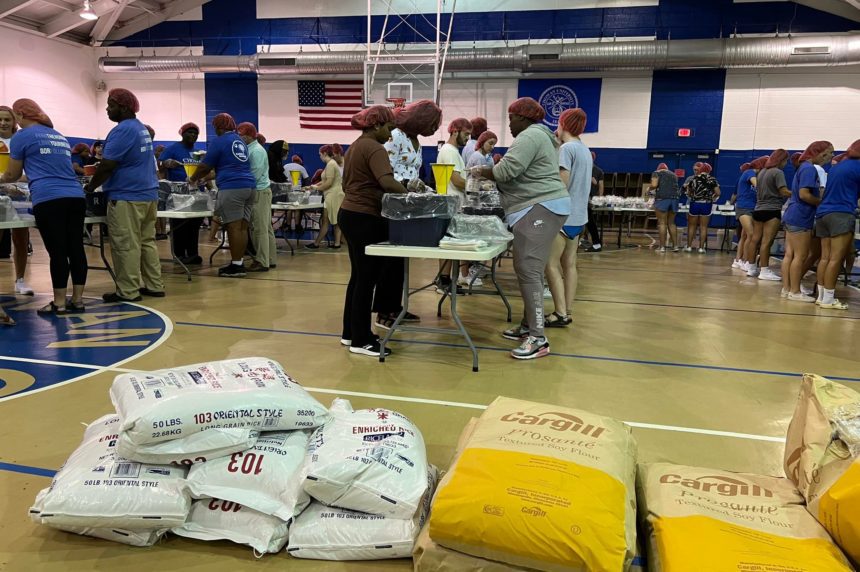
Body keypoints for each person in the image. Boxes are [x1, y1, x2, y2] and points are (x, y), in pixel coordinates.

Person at [472, 97, 570, 360]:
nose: (510, 124)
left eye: (512, 118)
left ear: (524, 118)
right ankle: (529, 326)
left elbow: (507, 171)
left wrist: (482, 171)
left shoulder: (529, 136)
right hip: (541, 205)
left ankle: (538, 338)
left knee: (528, 269)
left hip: (539, 205)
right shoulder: (541, 136)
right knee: (529, 269)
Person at [0, 99, 86, 314]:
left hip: (49, 198)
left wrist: (2, 178)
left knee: (57, 251)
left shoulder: (22, 136)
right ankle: (77, 300)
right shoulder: (58, 135)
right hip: (76, 196)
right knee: (76, 248)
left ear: (19, 115)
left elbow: (13, 174)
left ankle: (59, 303)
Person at [339, 105, 407, 357]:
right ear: (377, 125)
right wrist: (411, 194)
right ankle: (362, 340)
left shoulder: (355, 146)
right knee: (367, 280)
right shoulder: (375, 148)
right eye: (389, 128)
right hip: (366, 216)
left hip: (350, 214)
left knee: (358, 277)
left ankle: (350, 332)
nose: (390, 136)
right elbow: (387, 181)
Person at [84, 88, 164, 302]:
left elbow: (108, 165)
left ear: (124, 107)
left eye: (111, 105)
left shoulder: (123, 130)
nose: (107, 109)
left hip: (127, 195)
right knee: (147, 241)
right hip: (148, 194)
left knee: (126, 244)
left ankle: (128, 291)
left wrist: (91, 187)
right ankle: (154, 285)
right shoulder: (141, 129)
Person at [373, 99, 442, 328]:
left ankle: (396, 306)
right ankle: (384, 311)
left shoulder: (417, 142)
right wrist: (408, 187)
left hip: (407, 205)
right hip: (391, 203)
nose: (434, 129)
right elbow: (386, 172)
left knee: (401, 260)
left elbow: (414, 174)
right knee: (389, 262)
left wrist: (425, 190)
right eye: (432, 124)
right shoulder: (396, 136)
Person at [188, 113, 256, 278]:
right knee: (242, 227)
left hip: (232, 188)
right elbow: (230, 165)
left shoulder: (219, 141)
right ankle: (239, 263)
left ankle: (236, 266)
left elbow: (205, 166)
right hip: (250, 187)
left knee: (233, 226)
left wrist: (193, 179)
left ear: (218, 128)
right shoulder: (239, 141)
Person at [545, 108, 590, 328]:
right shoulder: (584, 149)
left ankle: (559, 312)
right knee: (570, 265)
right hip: (580, 216)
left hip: (563, 216)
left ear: (563, 124)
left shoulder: (566, 149)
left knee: (550, 264)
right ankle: (567, 310)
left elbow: (560, 185)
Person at [781, 141, 833, 301]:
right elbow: (804, 194)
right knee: (800, 256)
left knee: (789, 255)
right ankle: (795, 292)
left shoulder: (802, 167)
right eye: (830, 153)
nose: (832, 156)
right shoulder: (809, 169)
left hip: (792, 215)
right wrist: (821, 202)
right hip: (801, 216)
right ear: (821, 153)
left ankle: (787, 288)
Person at [814, 139, 860, 310]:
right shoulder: (858, 167)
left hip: (823, 214)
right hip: (841, 214)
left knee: (825, 258)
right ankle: (829, 299)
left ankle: (822, 296)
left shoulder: (837, 167)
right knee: (836, 258)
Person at [0, 104, 34, 296]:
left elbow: (30, 172)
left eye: (7, 119)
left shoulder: (21, 140)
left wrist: (11, 180)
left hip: (20, 195)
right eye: (0, 119)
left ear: (14, 122)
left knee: (21, 238)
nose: (3, 123)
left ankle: (20, 280)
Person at [159, 122, 205, 264]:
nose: (193, 135)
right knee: (179, 225)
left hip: (196, 192)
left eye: (195, 133)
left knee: (194, 224)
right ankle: (179, 255)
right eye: (189, 132)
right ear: (182, 133)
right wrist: (166, 163)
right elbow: (160, 165)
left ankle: (192, 253)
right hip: (178, 193)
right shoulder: (172, 149)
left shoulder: (198, 152)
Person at [435, 117, 472, 291]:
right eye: (466, 134)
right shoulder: (449, 151)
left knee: (450, 243)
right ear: (455, 131)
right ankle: (443, 281)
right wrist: (477, 187)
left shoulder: (452, 151)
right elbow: (456, 180)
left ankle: (446, 280)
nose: (468, 138)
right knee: (448, 244)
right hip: (451, 203)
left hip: (453, 202)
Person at [745, 149, 791, 280]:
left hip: (758, 209)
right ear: (781, 160)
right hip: (772, 210)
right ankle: (764, 270)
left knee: (754, 240)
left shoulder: (762, 172)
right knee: (767, 242)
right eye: (786, 160)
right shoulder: (778, 172)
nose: (786, 163)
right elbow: (783, 191)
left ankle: (751, 267)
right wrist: (797, 194)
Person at [238, 122, 277, 272]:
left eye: (240, 135)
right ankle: (270, 259)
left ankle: (262, 261)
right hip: (262, 191)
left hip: (259, 192)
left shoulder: (256, 151)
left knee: (259, 229)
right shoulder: (253, 149)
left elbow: (254, 174)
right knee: (266, 228)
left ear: (248, 136)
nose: (239, 138)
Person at [307, 144, 346, 251]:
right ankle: (336, 243)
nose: (319, 157)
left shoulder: (331, 164)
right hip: (335, 194)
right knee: (335, 220)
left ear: (324, 153)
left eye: (320, 155)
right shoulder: (332, 164)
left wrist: (315, 188)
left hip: (333, 195)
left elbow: (328, 183)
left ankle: (316, 243)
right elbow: (325, 181)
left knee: (325, 221)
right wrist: (312, 186)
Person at [732, 156, 766, 271]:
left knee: (745, 235)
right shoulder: (749, 172)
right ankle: (747, 261)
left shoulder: (756, 175)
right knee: (751, 234)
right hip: (744, 208)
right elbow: (756, 184)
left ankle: (738, 260)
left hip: (753, 208)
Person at [684, 162, 720, 253]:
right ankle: (701, 248)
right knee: (703, 227)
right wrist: (712, 198)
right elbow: (718, 193)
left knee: (692, 226)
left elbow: (688, 193)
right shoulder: (712, 179)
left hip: (695, 203)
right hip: (706, 204)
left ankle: (688, 246)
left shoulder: (693, 179)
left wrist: (694, 195)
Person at [650, 162, 680, 252]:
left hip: (662, 199)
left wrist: (649, 188)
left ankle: (662, 247)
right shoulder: (674, 175)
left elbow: (654, 185)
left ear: (658, 168)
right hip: (674, 199)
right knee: (671, 223)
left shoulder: (656, 173)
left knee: (662, 223)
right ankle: (675, 246)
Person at [582, 151, 604, 252]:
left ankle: (596, 243)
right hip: (581, 199)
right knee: (586, 222)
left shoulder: (598, 171)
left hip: (589, 200)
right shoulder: (581, 169)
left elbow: (600, 186)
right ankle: (588, 241)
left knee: (590, 222)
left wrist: (599, 199)